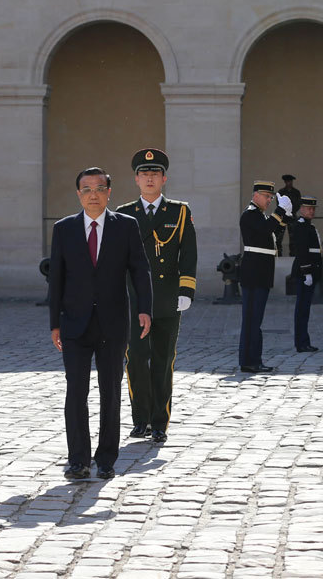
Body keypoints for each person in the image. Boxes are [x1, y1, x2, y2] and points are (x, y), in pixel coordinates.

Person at [48, 167, 152, 480]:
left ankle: (106, 458)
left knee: (111, 391)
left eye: (99, 188)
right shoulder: (64, 229)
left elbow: (139, 270)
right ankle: (78, 459)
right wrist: (55, 323)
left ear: (109, 192)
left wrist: (144, 309)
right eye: (86, 189)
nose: (93, 194)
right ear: (78, 194)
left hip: (114, 322)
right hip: (74, 324)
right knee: (75, 392)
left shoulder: (126, 226)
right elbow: (57, 279)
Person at [116, 149, 197, 444]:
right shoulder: (124, 214)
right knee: (136, 359)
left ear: (164, 178)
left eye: (155, 174)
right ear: (136, 179)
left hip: (166, 298)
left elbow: (188, 254)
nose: (150, 179)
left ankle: (160, 421)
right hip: (135, 299)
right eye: (144, 174)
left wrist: (186, 290)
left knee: (163, 361)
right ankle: (141, 420)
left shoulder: (179, 212)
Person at [238, 180, 291, 372]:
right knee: (252, 319)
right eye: (267, 196)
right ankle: (249, 361)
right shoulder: (250, 215)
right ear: (255, 195)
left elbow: (275, 231)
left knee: (256, 319)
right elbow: (265, 229)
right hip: (254, 274)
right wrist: (280, 212)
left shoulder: (261, 216)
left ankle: (253, 359)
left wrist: (285, 215)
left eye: (271, 197)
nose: (269, 200)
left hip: (260, 273)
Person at [291, 196, 322, 353]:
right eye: (309, 208)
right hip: (305, 273)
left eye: (313, 209)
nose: (312, 211)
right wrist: (306, 272)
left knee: (305, 309)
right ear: (301, 209)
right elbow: (302, 251)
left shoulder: (309, 226)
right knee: (302, 309)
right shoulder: (300, 226)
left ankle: (304, 341)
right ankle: (301, 342)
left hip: (311, 270)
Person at [275, 174, 302, 256]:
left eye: (289, 181)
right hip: (282, 216)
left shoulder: (296, 192)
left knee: (294, 235)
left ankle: (293, 253)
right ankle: (278, 253)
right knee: (279, 235)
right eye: (287, 181)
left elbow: (298, 204)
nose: (288, 183)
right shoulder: (281, 192)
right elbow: (279, 204)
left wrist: (291, 212)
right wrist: (285, 212)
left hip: (292, 215)